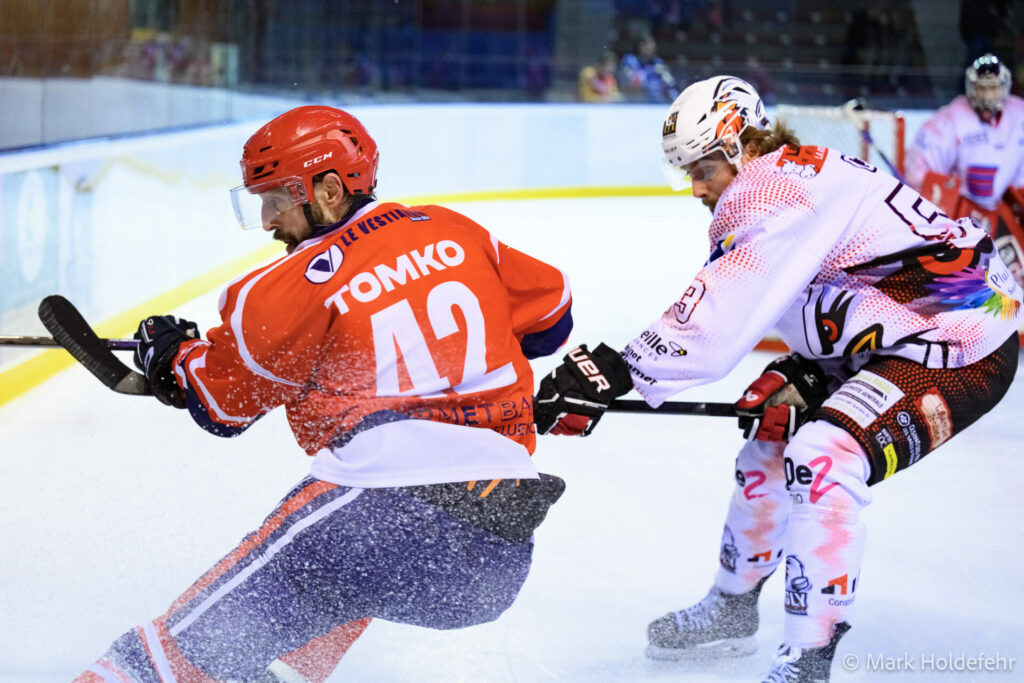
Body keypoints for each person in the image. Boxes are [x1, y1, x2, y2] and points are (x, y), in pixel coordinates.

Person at [534, 75, 1021, 682]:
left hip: (963, 342)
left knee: (824, 456)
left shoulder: (769, 192)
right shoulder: (790, 175)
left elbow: (718, 321)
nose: (695, 189)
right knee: (773, 433)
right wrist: (808, 372)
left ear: (738, 148)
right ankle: (733, 608)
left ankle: (808, 659)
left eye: (702, 169)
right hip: (907, 327)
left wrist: (616, 369)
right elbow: (809, 288)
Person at [73, 105, 573, 683]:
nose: (266, 220)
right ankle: (280, 671)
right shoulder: (455, 231)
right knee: (306, 629)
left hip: (376, 520)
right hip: (496, 562)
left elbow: (222, 407)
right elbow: (550, 322)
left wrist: (171, 356)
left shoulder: (289, 286)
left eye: (275, 199)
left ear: (329, 190)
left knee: (156, 662)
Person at [906, 53, 1024, 290]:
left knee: (1014, 279)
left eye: (992, 88)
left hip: (1003, 212)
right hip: (962, 215)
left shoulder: (1020, 114)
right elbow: (918, 173)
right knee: (965, 283)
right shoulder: (951, 118)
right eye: (982, 88)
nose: (988, 95)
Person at [619, 35, 679, 103]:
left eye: (653, 48)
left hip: (656, 100)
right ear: (641, 46)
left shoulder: (657, 61)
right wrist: (652, 70)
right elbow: (631, 80)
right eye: (649, 47)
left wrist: (666, 76)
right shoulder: (630, 59)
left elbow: (669, 83)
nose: (652, 50)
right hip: (635, 99)